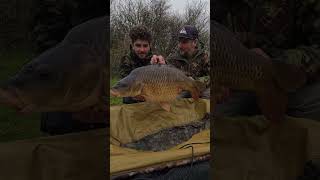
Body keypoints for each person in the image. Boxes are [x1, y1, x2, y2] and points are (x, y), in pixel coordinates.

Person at [212, 0, 320, 120]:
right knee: (209, 118)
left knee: (315, 104)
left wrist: (273, 63)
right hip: (234, 85)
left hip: (289, 79)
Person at [155, 25, 210, 98]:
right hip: (182, 91)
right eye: (179, 42)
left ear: (195, 42)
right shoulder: (173, 58)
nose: (180, 46)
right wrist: (161, 63)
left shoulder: (205, 56)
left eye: (184, 42)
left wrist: (195, 81)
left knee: (208, 94)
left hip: (201, 89)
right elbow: (166, 71)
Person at [119, 25, 164, 104]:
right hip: (132, 100)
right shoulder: (126, 60)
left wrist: (163, 66)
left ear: (150, 46)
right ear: (132, 45)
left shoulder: (155, 58)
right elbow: (126, 87)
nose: (142, 50)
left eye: (145, 46)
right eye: (138, 45)